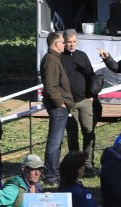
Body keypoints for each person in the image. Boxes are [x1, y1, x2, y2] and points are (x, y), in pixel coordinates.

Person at [61, 30, 100, 176]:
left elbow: (91, 75)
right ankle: (75, 165)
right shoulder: (59, 57)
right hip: (68, 103)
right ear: (64, 42)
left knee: (88, 132)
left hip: (85, 100)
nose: (71, 45)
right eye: (68, 42)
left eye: (74, 42)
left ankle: (88, 164)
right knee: (72, 134)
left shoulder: (82, 56)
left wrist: (92, 95)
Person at [40, 31, 74, 187]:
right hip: (57, 107)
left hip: (59, 106)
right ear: (55, 44)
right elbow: (51, 86)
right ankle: (51, 175)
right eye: (62, 42)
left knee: (57, 141)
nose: (65, 44)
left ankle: (54, 172)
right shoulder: (51, 61)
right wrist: (60, 103)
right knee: (54, 141)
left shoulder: (53, 59)